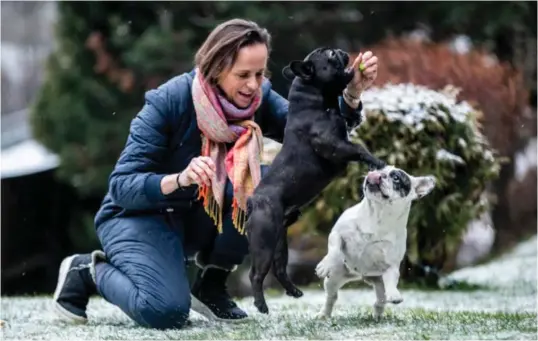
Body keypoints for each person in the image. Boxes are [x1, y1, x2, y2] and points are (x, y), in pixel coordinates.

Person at [51, 18, 380, 330]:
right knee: (165, 310)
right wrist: (180, 178)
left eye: (259, 73)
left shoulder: (258, 96)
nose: (254, 85)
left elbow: (317, 138)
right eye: (243, 75)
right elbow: (121, 186)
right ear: (216, 67)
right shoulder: (168, 102)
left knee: (272, 186)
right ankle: (86, 271)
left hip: (195, 214)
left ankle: (212, 284)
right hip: (139, 216)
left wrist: (351, 95)